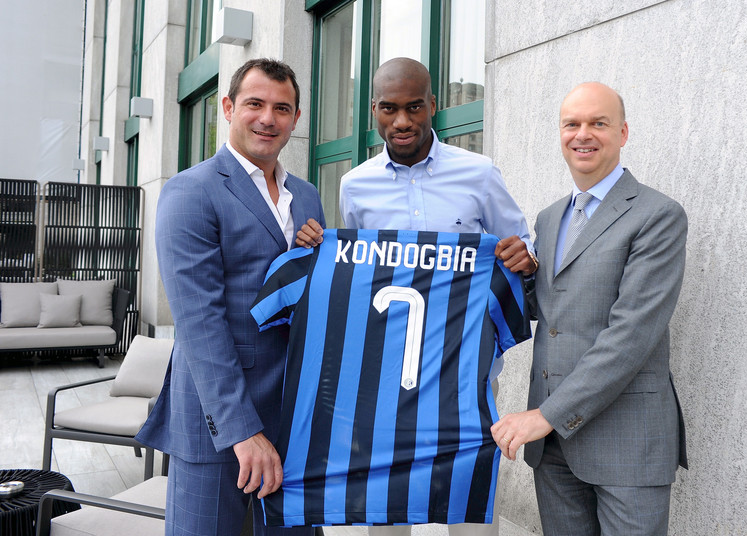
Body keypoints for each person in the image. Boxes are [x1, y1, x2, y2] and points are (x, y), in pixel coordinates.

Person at [295, 57, 536, 536]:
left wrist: (523, 256)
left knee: (469, 517)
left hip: (464, 378)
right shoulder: (354, 185)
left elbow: (522, 249)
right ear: (373, 110)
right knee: (385, 515)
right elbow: (356, 275)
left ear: (432, 105)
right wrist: (315, 249)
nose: (402, 121)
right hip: (384, 382)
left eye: (414, 107)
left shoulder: (479, 174)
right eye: (389, 108)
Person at [136, 58, 325, 536]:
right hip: (216, 423)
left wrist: (318, 257)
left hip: (294, 417)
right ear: (228, 108)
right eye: (255, 104)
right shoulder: (190, 191)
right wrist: (243, 430)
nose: (268, 118)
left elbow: (313, 300)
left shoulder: (306, 196)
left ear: (296, 118)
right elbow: (199, 323)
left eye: (282, 108)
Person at [490, 82, 688, 536]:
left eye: (598, 123)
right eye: (572, 124)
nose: (583, 134)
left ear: (623, 133)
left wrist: (544, 416)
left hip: (625, 442)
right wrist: (524, 274)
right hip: (553, 450)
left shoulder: (658, 215)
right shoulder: (549, 218)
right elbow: (554, 311)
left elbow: (631, 334)